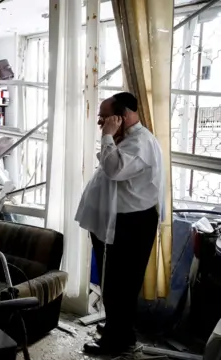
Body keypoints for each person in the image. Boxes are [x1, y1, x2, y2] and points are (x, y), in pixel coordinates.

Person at [75, 92, 165, 355]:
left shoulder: (141, 144)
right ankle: (119, 329)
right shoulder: (127, 139)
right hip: (119, 222)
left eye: (104, 118)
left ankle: (116, 343)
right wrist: (111, 136)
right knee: (113, 281)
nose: (101, 124)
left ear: (121, 117)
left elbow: (113, 169)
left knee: (120, 285)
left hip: (130, 225)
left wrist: (107, 136)